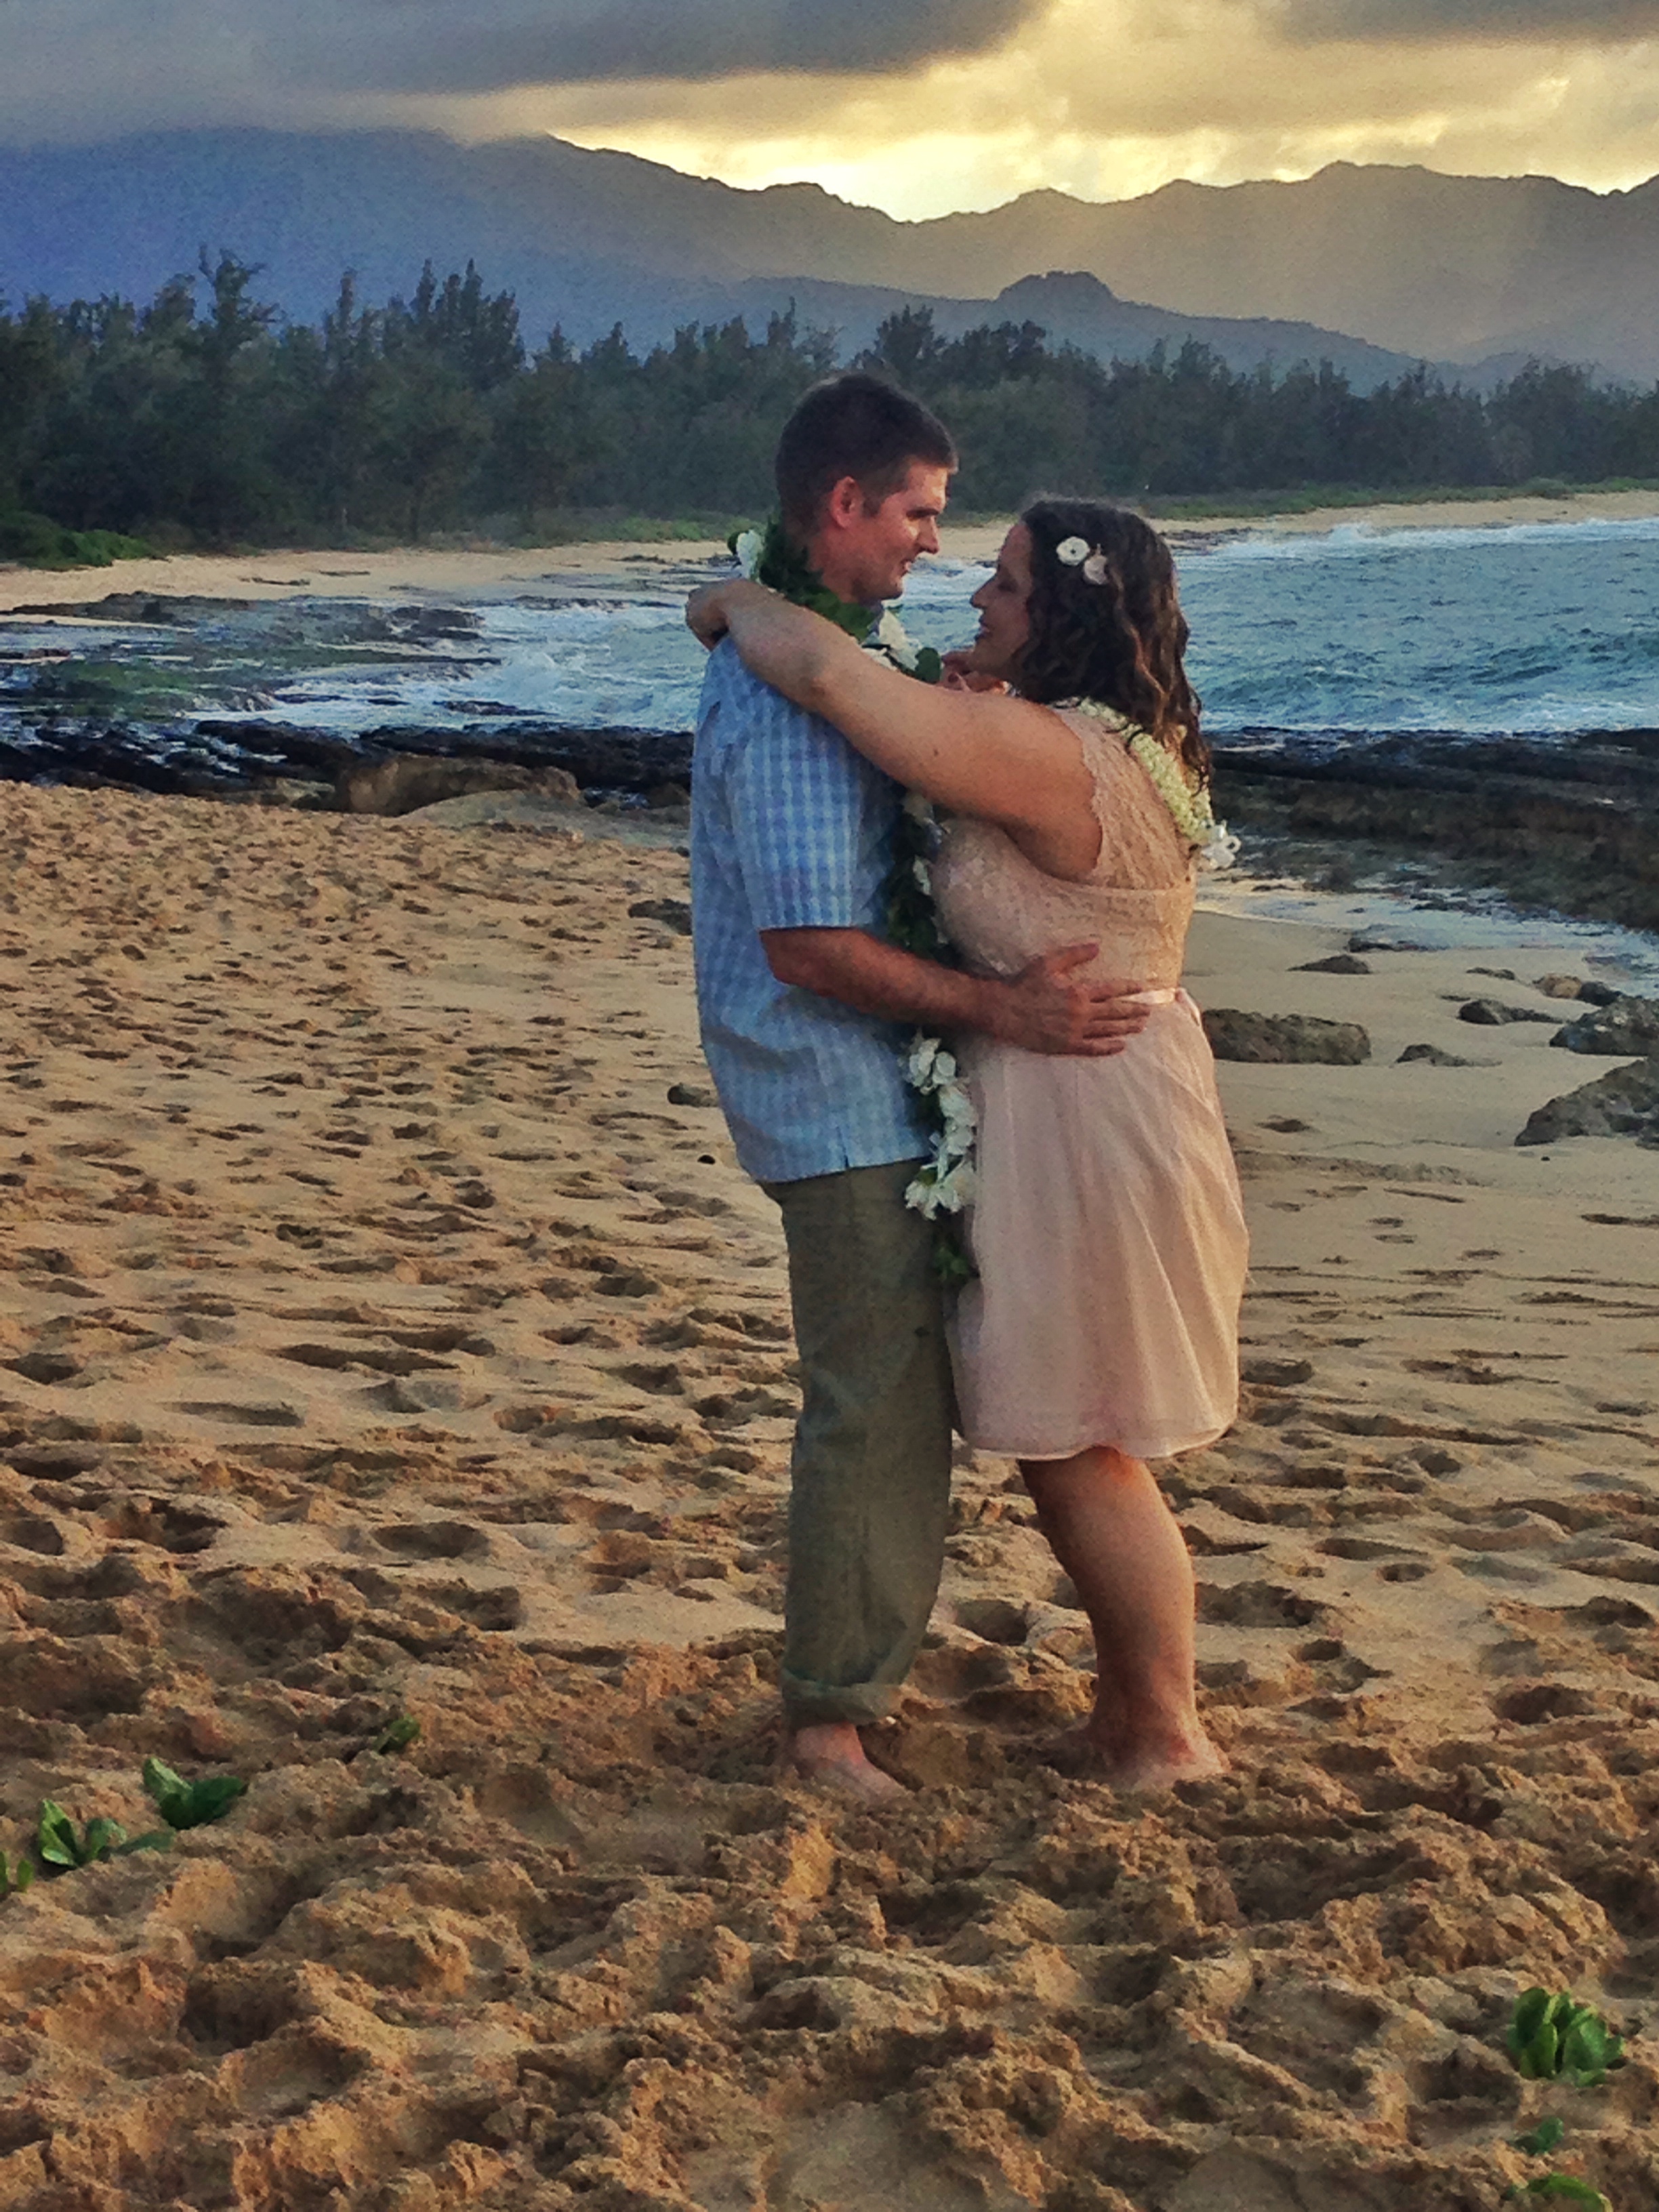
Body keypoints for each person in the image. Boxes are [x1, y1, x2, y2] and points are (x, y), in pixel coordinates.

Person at [689, 496, 1247, 1790]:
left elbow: (830, 675)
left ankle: (1163, 1732)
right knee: (1075, 1434)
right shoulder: (1101, 740)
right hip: (1100, 1094)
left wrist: (725, 601)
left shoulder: (1049, 752)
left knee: (1082, 1440)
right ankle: (1136, 1716)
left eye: (1000, 582)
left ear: (1061, 612)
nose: (976, 598)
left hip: (1086, 1111)